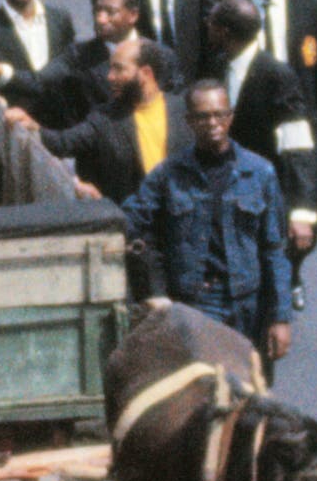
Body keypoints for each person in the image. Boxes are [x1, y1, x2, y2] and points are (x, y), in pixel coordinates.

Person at [123, 80, 292, 365]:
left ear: (230, 117)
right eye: (203, 116)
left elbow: (274, 250)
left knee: (252, 389)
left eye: (219, 114)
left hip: (247, 305)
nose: (212, 123)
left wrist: (281, 318)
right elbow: (132, 217)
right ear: (189, 121)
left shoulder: (260, 173)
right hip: (196, 305)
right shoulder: (169, 174)